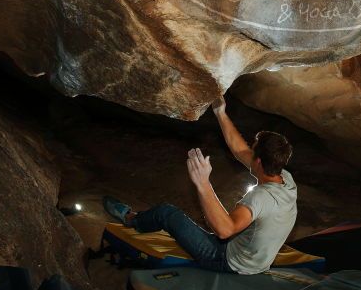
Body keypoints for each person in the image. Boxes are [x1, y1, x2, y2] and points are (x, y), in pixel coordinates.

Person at [102, 95, 297, 274]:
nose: (249, 151)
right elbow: (239, 150)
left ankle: (130, 219)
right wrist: (220, 112)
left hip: (226, 260)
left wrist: (203, 182)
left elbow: (225, 231)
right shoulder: (286, 178)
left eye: (253, 151)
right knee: (226, 220)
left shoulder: (261, 198)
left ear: (259, 162)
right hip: (254, 259)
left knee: (166, 213)